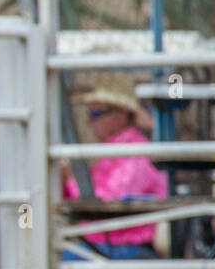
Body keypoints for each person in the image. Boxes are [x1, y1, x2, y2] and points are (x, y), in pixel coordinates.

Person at [62, 88, 167, 259]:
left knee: (61, 260)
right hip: (104, 243)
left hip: (124, 246)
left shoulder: (135, 152)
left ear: (122, 114)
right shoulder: (112, 153)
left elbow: (106, 200)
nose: (90, 121)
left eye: (97, 113)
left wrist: (70, 179)